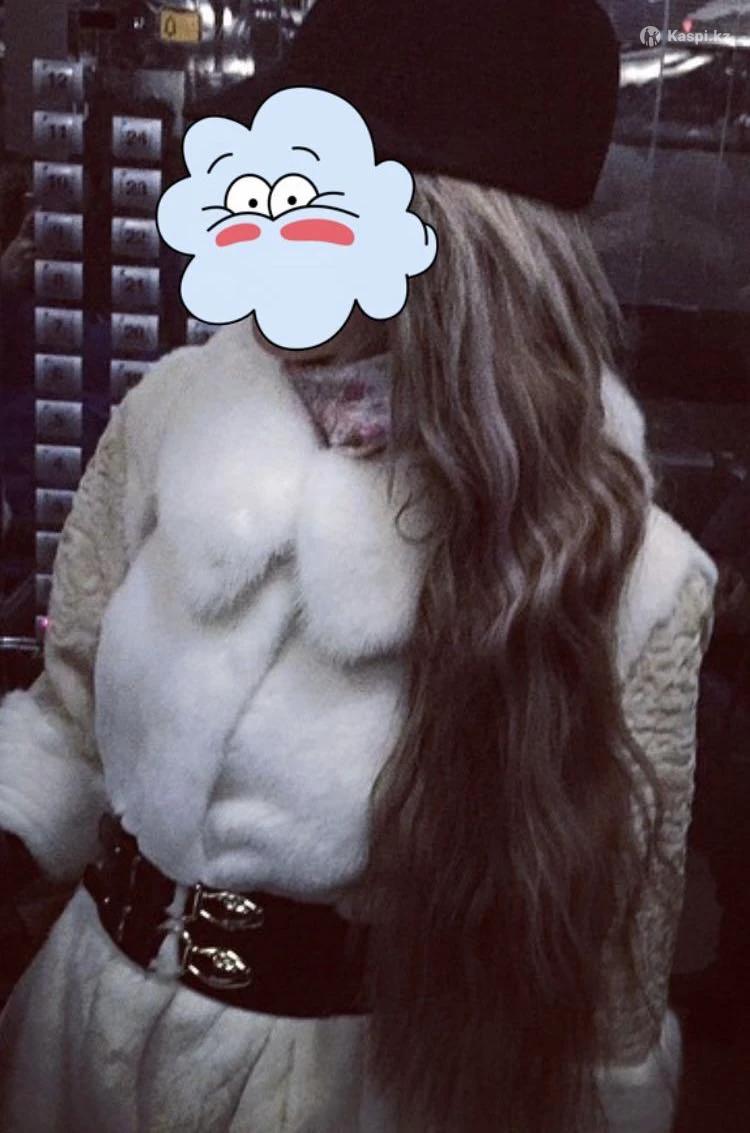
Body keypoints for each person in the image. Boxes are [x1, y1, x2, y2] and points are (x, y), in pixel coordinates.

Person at [0, 2, 717, 1131]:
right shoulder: (172, 419)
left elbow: (614, 963)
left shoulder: (626, 574)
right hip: (79, 1043)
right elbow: (71, 704)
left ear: (445, 244)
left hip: (356, 1093)